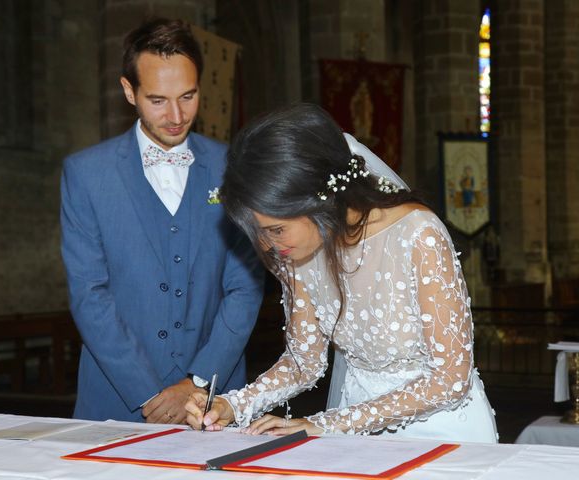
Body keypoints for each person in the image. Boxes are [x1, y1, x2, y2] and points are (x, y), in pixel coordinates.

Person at [185, 103, 498, 443]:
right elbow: (304, 361)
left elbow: (451, 378)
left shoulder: (417, 235)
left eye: (276, 230)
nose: (269, 246)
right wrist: (233, 404)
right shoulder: (298, 252)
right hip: (355, 432)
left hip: (443, 430)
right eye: (260, 232)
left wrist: (330, 424)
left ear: (316, 200)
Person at [60, 18, 264, 423]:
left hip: (213, 400)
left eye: (188, 96)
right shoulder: (86, 174)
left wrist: (199, 380)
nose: (176, 115)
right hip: (117, 402)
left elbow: (245, 285)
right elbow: (89, 294)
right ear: (128, 91)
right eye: (158, 100)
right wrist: (149, 394)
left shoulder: (235, 167)